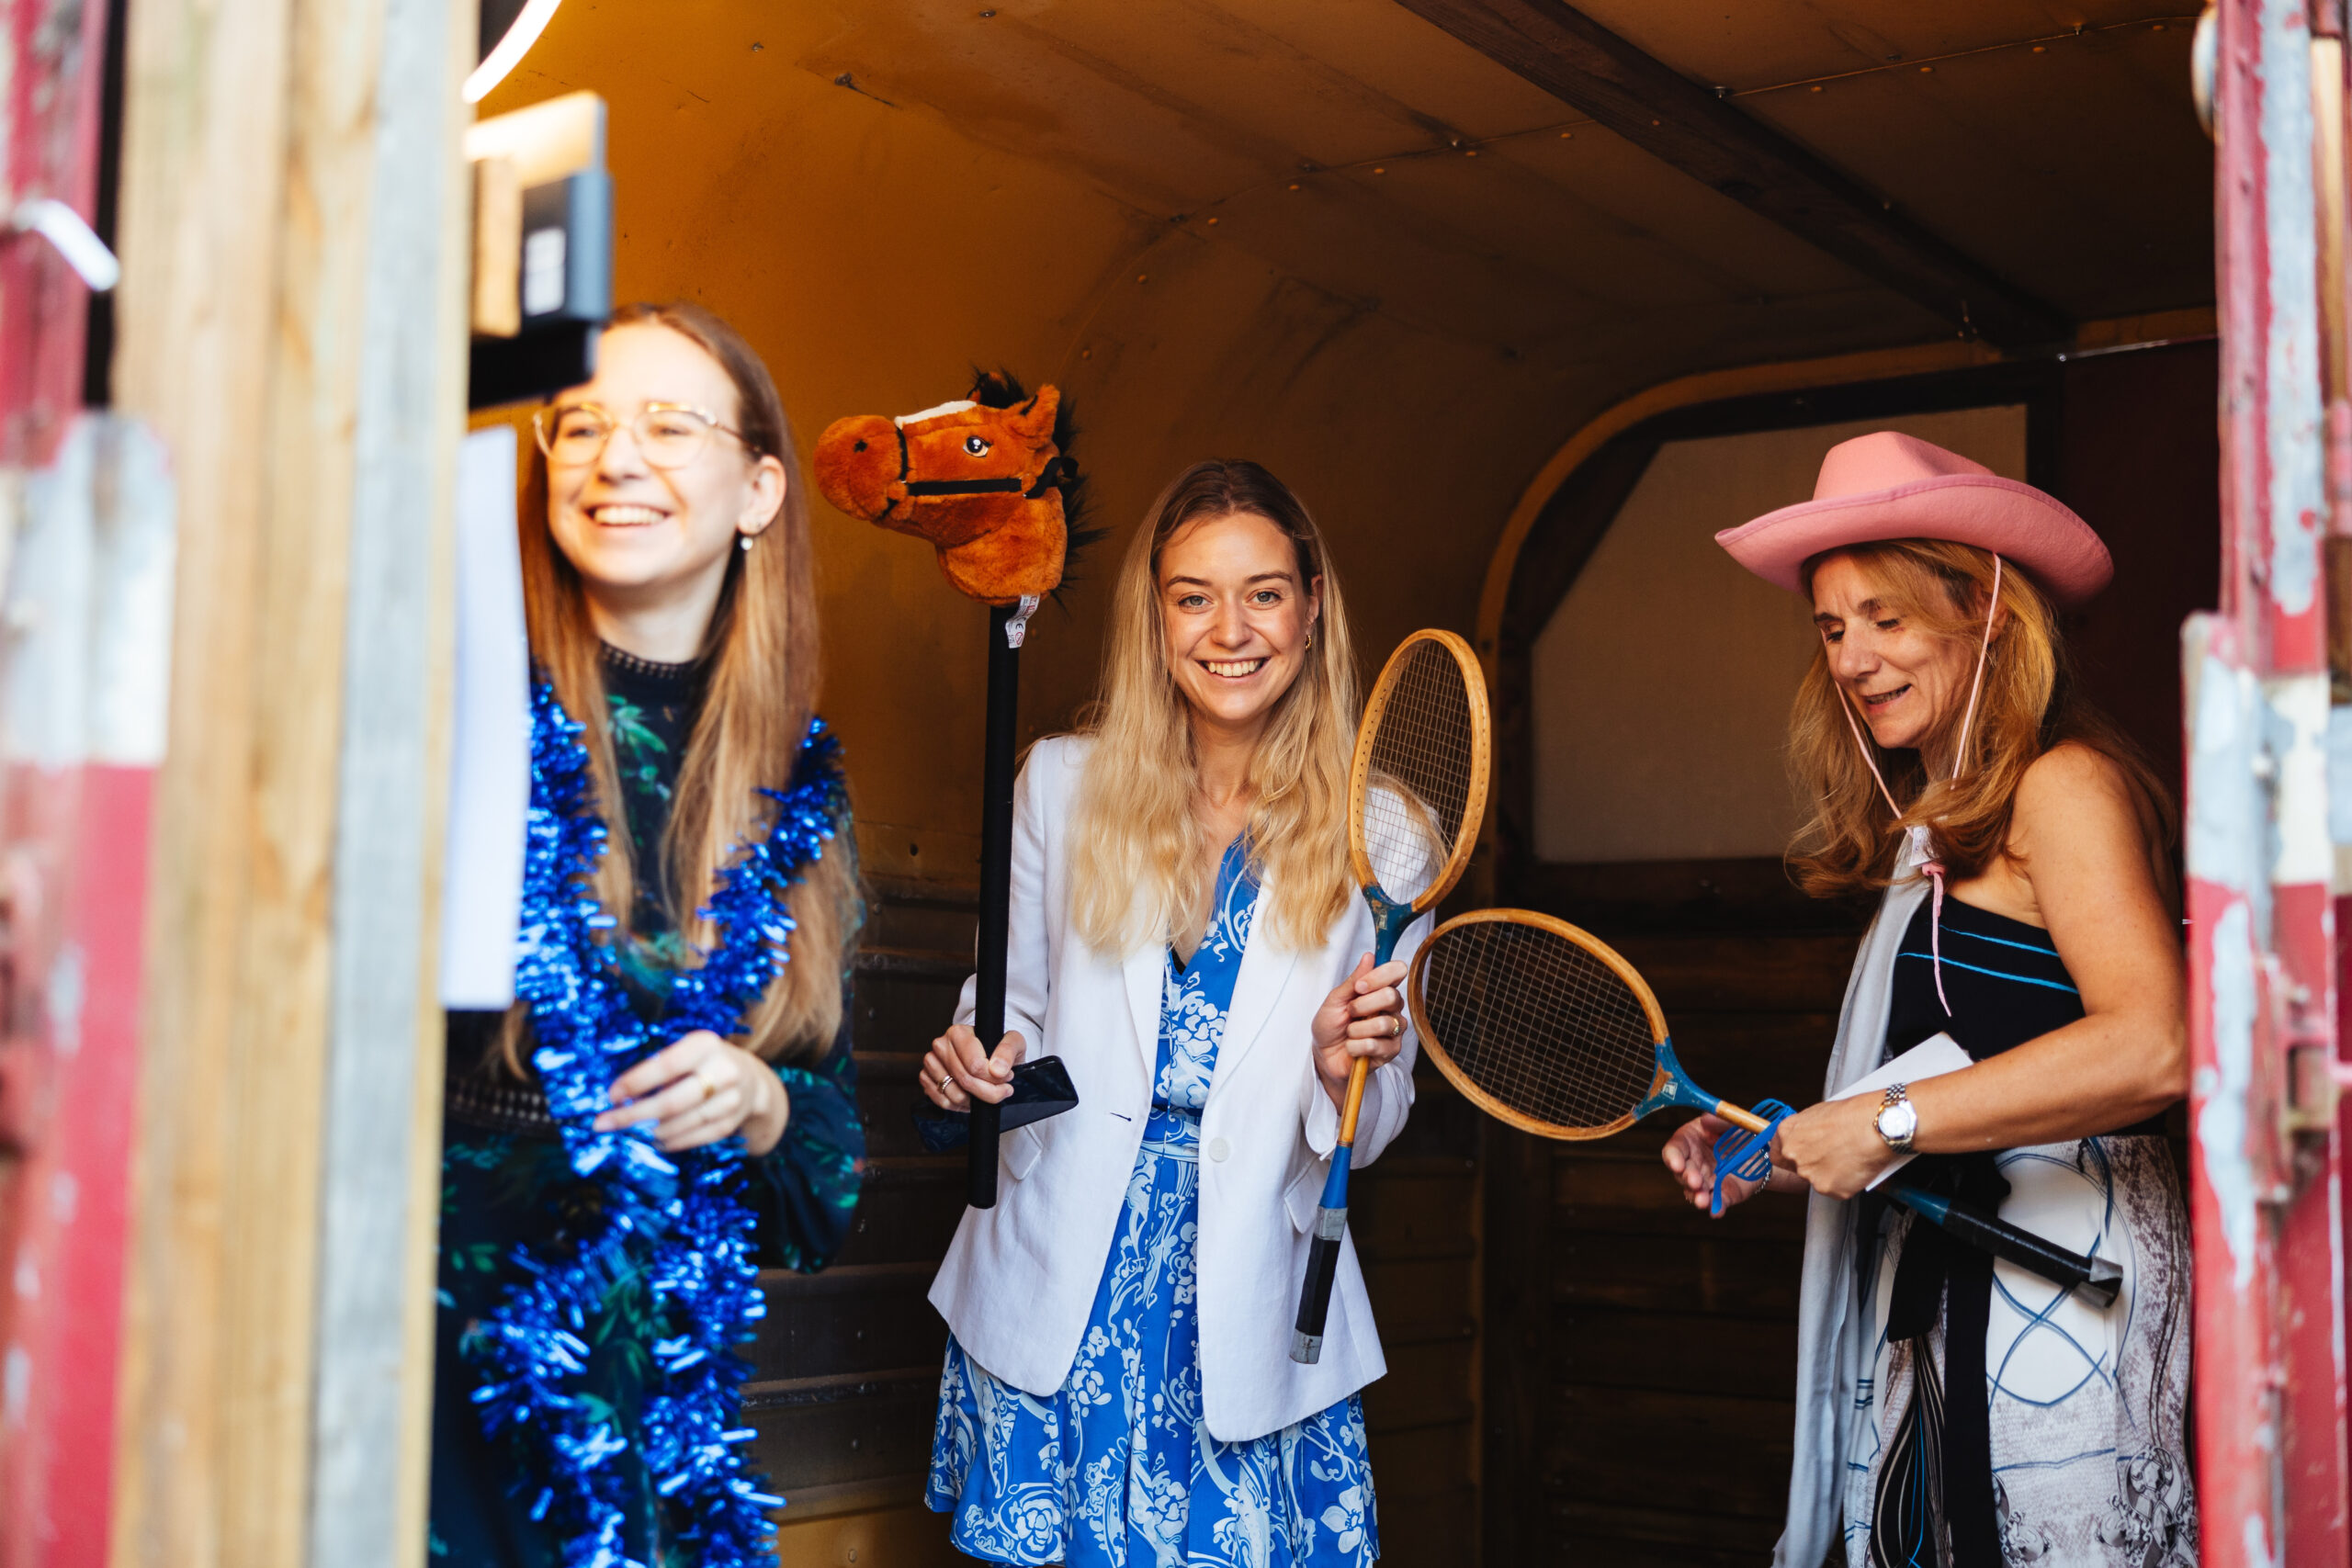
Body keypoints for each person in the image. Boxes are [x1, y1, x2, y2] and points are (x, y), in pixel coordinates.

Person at [1660, 433, 2195, 1568]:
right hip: (1957, 1291)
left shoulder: (2063, 785)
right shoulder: (1940, 824)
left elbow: (2155, 1044)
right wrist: (1783, 1144)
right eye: (1831, 626)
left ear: (1988, 608)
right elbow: (1976, 1058)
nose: (1853, 657)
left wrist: (1884, 1124)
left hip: (2064, 1299)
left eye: (1886, 617)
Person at [916, 459, 1416, 1566]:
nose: (1228, 629)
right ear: (1155, 615)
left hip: (1253, 1312)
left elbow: (1376, 1123)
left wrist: (1345, 1074)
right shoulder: (1057, 784)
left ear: (1312, 602)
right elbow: (1012, 1010)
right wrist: (975, 1056)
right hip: (1054, 1285)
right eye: (1193, 596)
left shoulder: (1385, 835)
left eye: (1263, 593)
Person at [430, 302, 865, 1565]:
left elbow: (823, 1186)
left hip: (661, 1423)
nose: (615, 457)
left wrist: (757, 1098)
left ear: (759, 487)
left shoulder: (795, 788)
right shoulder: (455, 707)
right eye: (579, 425)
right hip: (443, 1369)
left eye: (668, 425)